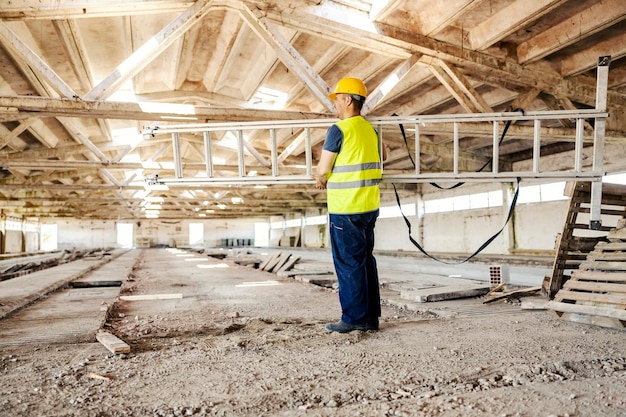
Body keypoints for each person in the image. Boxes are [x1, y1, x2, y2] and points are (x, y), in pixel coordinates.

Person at [313, 77, 387, 333]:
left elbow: (323, 168)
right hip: (369, 207)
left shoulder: (339, 129)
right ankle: (370, 318)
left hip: (346, 208)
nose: (334, 104)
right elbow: (383, 156)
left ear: (347, 100)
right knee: (366, 261)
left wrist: (320, 178)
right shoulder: (370, 129)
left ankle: (354, 319)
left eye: (336, 99)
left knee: (349, 264)